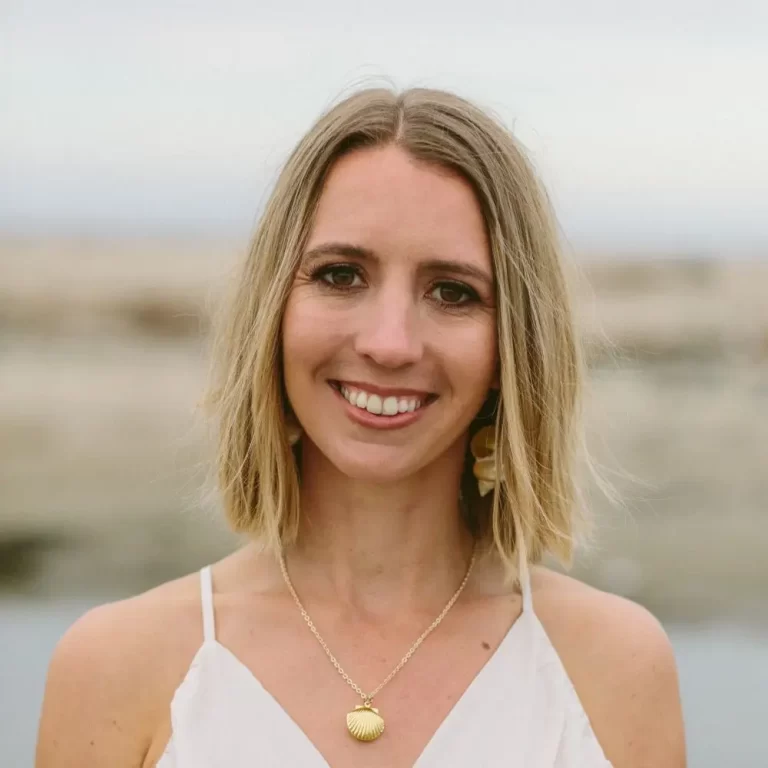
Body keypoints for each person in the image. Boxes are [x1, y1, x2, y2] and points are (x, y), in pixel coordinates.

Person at [35, 87, 686, 767]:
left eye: (453, 291)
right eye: (341, 275)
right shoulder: (116, 666)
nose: (389, 342)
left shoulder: (616, 668)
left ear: (512, 345)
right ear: (273, 311)